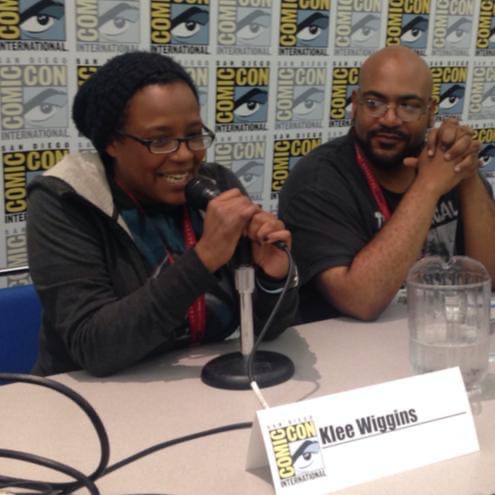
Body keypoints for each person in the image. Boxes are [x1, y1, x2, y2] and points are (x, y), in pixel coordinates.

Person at [27, 51, 298, 377]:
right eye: (160, 140)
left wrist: (272, 277)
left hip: (197, 390)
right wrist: (204, 258)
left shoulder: (217, 185)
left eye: (194, 135)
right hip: (88, 398)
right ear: (112, 142)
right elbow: (93, 347)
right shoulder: (66, 200)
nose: (184, 154)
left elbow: (270, 328)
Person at [279, 46, 495, 323]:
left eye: (408, 106)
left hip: (440, 335)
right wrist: (428, 188)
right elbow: (360, 300)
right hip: (347, 352)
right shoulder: (318, 181)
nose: (390, 119)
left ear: (430, 112)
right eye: (374, 103)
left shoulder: (444, 163)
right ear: (355, 105)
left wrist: (466, 175)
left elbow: (490, 278)